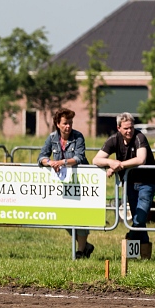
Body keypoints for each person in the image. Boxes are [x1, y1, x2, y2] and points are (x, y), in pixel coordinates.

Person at [93, 112, 155, 248]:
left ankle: (130, 239)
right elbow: (96, 159)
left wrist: (119, 165)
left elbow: (141, 159)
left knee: (140, 216)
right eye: (126, 128)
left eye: (131, 127)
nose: (129, 131)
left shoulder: (140, 137)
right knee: (137, 218)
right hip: (129, 183)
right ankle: (144, 250)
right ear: (119, 128)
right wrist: (111, 162)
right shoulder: (113, 139)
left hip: (147, 182)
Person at [37, 108, 93, 258]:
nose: (68, 126)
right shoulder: (51, 138)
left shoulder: (78, 137)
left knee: (80, 216)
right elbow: (41, 156)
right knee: (64, 217)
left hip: (80, 182)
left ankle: (80, 252)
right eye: (65, 123)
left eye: (70, 123)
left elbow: (79, 157)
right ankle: (86, 246)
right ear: (57, 124)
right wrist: (49, 162)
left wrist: (61, 162)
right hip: (62, 184)